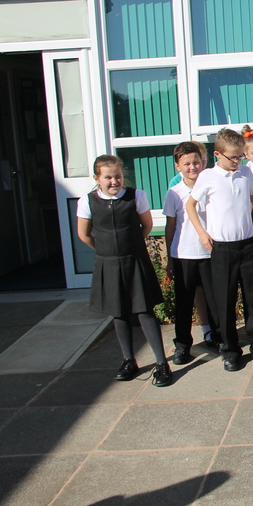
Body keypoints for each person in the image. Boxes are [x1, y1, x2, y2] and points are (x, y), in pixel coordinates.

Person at [77, 155, 172, 386]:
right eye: (108, 177)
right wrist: (106, 252)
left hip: (135, 261)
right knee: (119, 313)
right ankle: (129, 360)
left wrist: (133, 247)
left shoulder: (136, 196)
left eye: (117, 176)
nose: (114, 181)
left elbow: (147, 225)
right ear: (97, 178)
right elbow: (84, 234)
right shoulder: (87, 201)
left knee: (144, 311)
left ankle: (162, 364)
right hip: (108, 264)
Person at [187, 128, 253, 371]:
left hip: (248, 245)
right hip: (222, 248)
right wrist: (202, 233)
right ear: (217, 154)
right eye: (233, 157)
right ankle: (230, 349)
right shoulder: (207, 177)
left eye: (240, 157)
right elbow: (191, 205)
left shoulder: (244, 173)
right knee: (225, 300)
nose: (237, 162)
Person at [163, 142, 221, 365]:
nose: (192, 167)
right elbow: (170, 227)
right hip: (184, 254)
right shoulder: (174, 194)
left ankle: (217, 338)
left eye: (196, 162)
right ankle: (182, 345)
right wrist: (169, 258)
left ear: (203, 162)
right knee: (184, 302)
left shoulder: (211, 187)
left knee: (214, 301)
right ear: (178, 165)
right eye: (186, 163)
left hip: (209, 253)